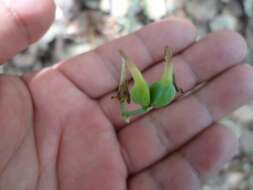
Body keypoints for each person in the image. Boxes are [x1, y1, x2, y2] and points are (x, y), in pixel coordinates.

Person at [0, 0, 252, 190]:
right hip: (141, 105)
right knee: (137, 76)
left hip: (143, 104)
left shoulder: (146, 99)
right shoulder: (144, 99)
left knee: (139, 78)